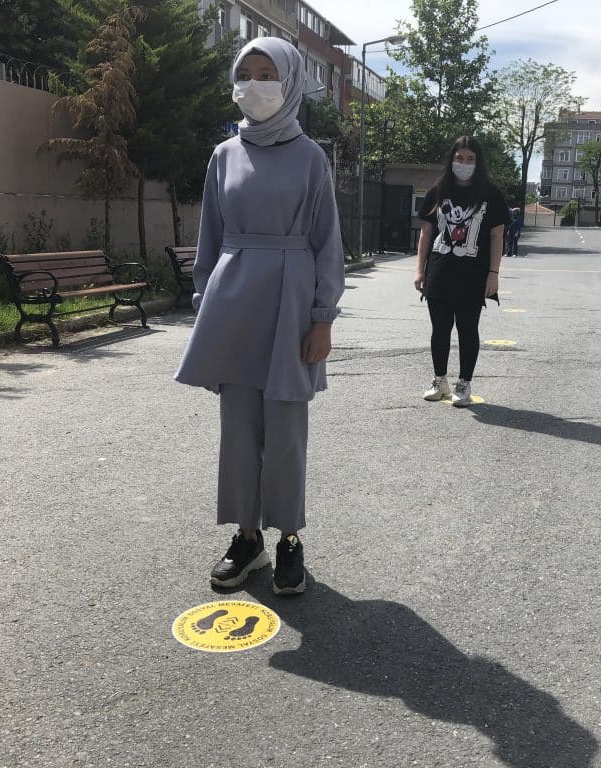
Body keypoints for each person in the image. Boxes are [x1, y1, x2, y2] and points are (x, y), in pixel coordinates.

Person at [174, 37, 345, 596]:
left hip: (293, 303)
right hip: (233, 305)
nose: (254, 83)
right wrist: (204, 307)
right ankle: (248, 538)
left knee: (287, 429)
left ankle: (289, 538)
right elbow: (210, 238)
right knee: (239, 429)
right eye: (245, 72)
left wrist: (323, 317)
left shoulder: (311, 157)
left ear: (290, 81)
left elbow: (327, 242)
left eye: (267, 73)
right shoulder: (224, 155)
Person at [414, 136, 511, 407]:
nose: (464, 163)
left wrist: (494, 273)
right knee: (440, 330)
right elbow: (426, 233)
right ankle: (440, 380)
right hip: (439, 272)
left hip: (473, 275)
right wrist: (419, 270)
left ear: (478, 162)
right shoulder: (438, 190)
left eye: (470, 159)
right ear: (452, 160)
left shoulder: (490, 194)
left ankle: (464, 384)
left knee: (468, 330)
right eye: (459, 158)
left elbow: (497, 236)